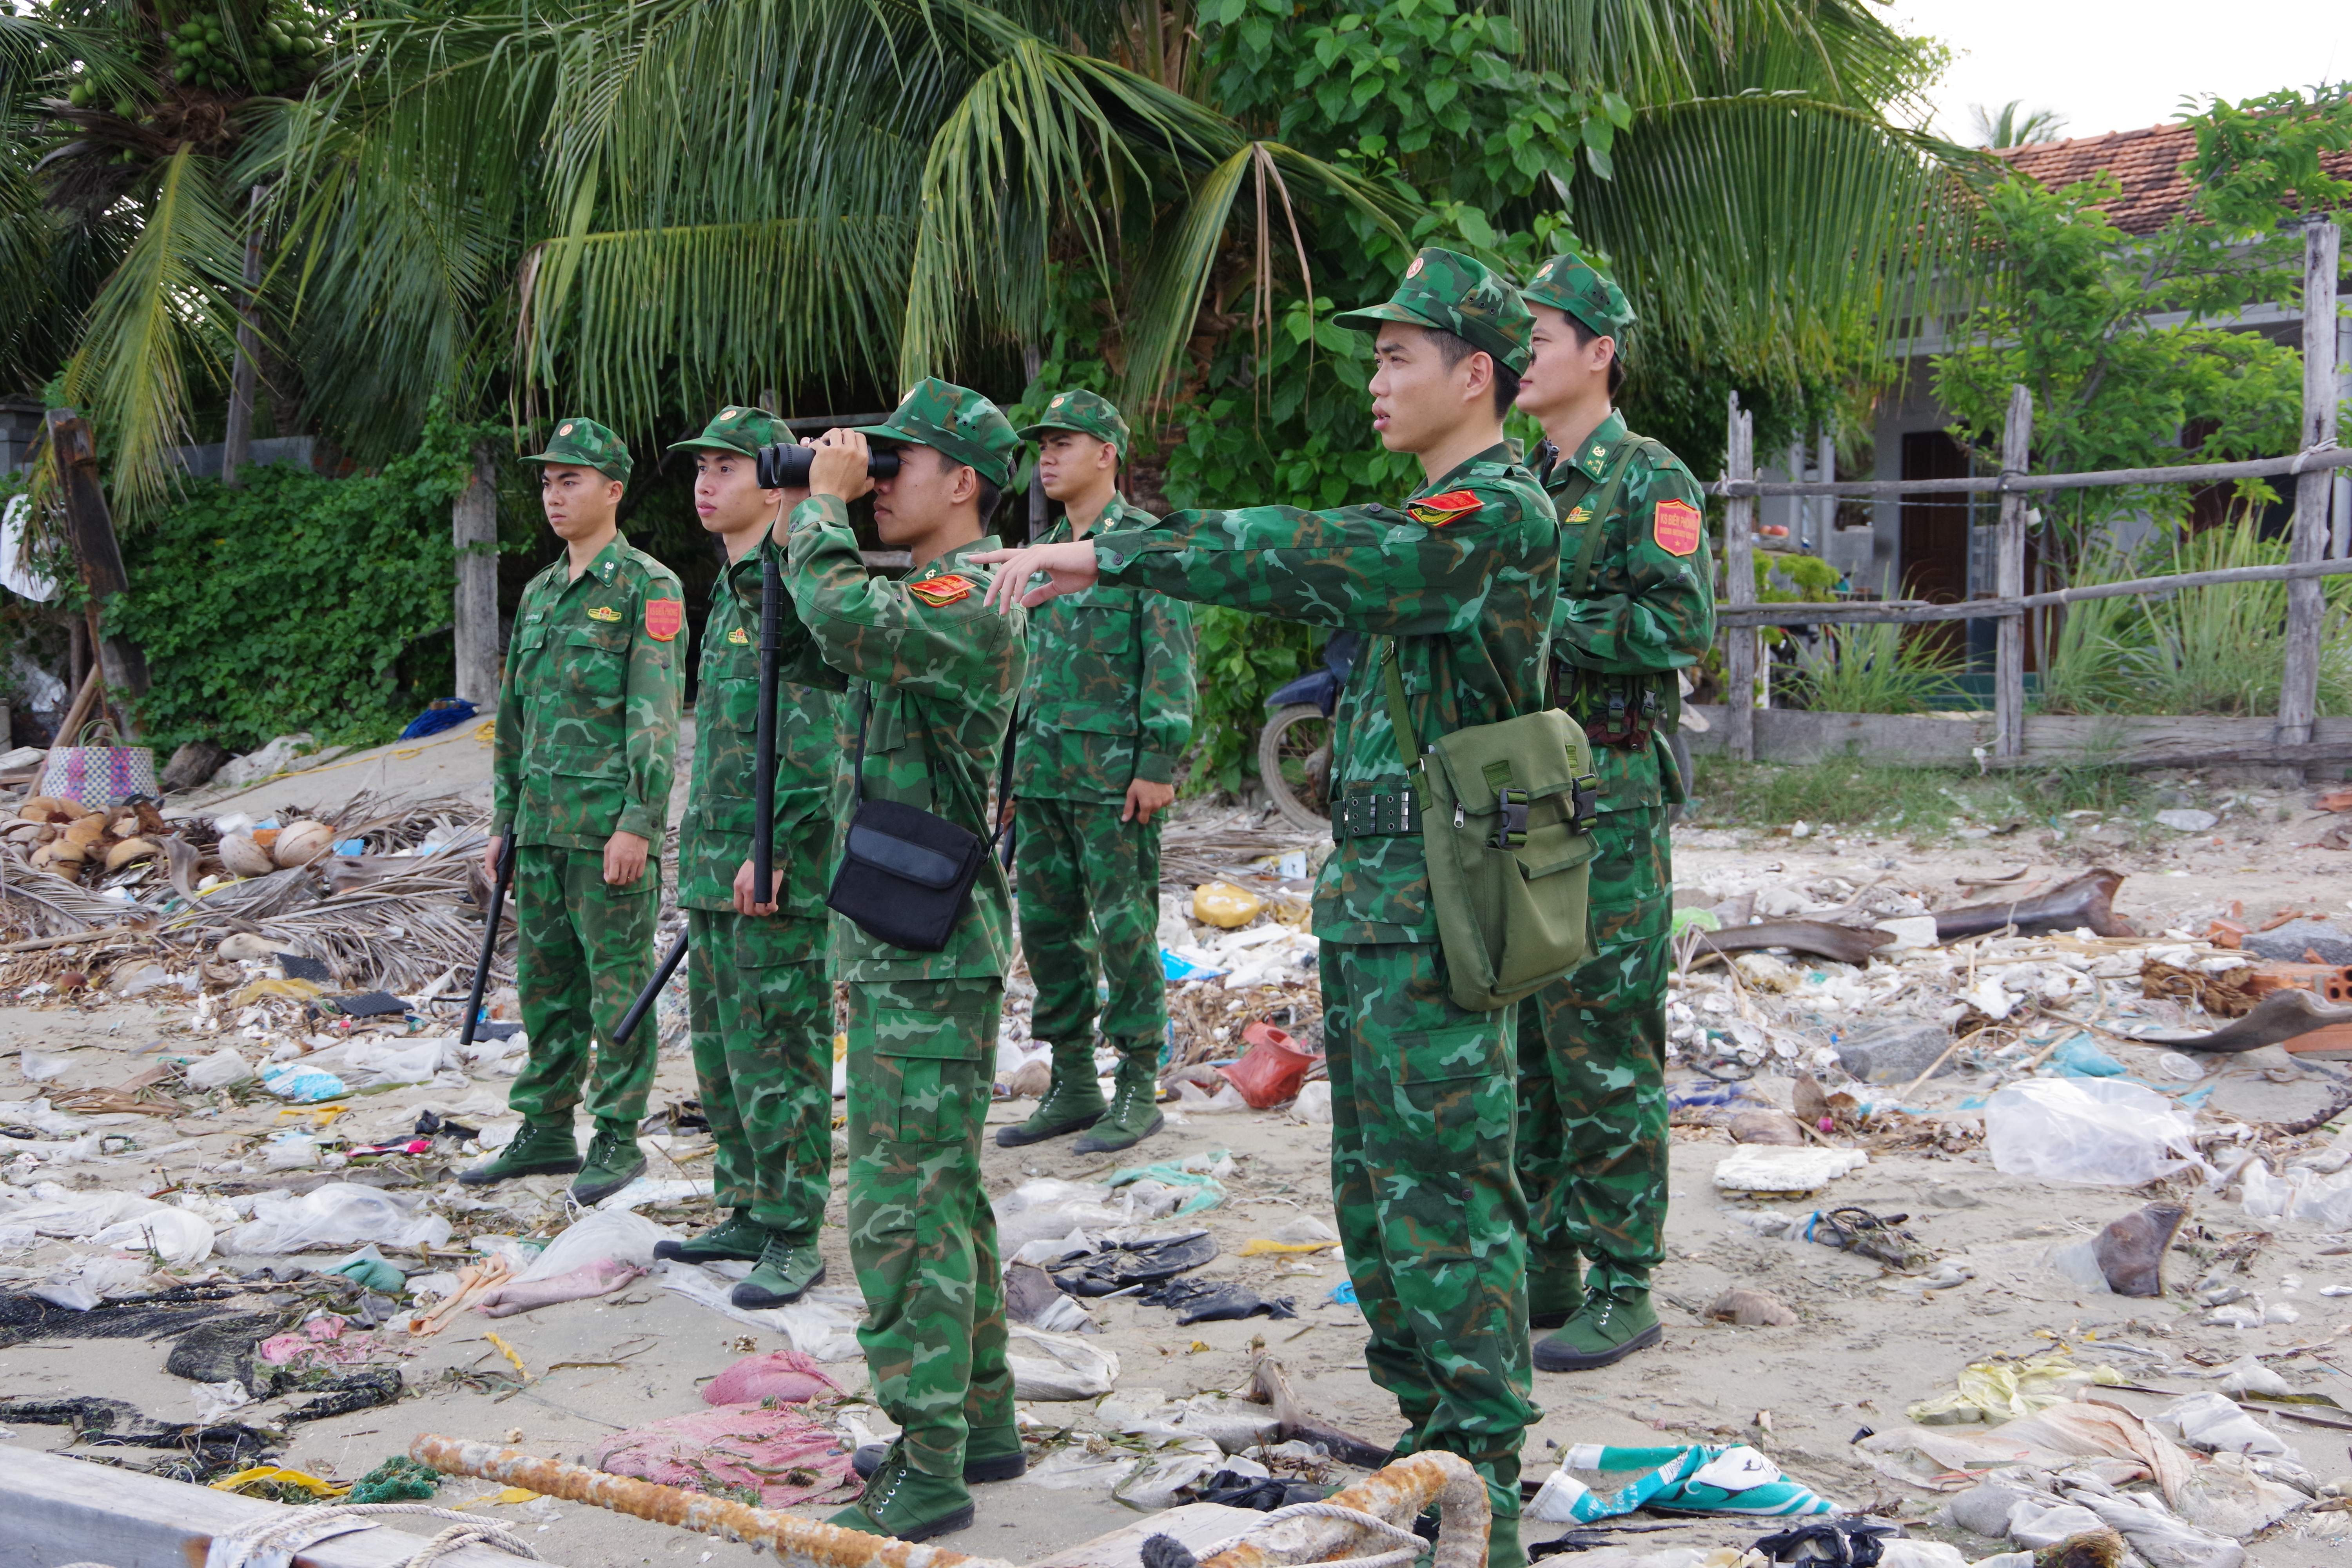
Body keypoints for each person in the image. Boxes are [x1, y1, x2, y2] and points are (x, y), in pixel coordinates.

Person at [975, 250, 1556, 1568]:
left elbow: (1324, 553)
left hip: (1449, 916)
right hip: (1382, 911)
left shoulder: (1493, 517)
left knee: (1446, 1207)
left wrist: (1116, 556)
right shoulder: (1439, 510)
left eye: (1399, 355)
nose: (1374, 378)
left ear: (1477, 375)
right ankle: (1435, 1457)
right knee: (1378, 1204)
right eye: (1374, 355)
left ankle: (1490, 1506)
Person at [780, 380, 1029, 1543]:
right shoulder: (930, 588)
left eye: (900, 464)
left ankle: (927, 1462)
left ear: (964, 482)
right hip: (911, 938)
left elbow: (838, 616)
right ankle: (978, 1421)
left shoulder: (972, 594)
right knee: (945, 1192)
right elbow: (816, 634)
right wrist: (805, 515)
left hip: (929, 950)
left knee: (899, 1205)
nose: (877, 480)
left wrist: (821, 510)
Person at [1510, 254, 1715, 1371]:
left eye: (1538, 339)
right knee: (1535, 1036)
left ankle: (1626, 1280)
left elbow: (1678, 629)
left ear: (1599, 351)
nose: (1521, 359)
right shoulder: (1518, 478)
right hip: (1527, 791)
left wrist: (1543, 619)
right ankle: (1547, 1260)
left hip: (1615, 797)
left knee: (1606, 1042)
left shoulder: (1650, 479)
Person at [648, 405, 844, 1309]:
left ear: (773, 481)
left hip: (772, 868)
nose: (704, 483)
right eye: (699, 468)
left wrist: (781, 849)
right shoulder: (726, 590)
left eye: (725, 467)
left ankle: (796, 1229)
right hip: (716, 863)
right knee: (725, 1055)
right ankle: (749, 1203)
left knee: (783, 1052)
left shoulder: (793, 584)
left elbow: (815, 738)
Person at [468, 417, 684, 1206]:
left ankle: (619, 1137)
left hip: (606, 834)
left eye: (572, 480)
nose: (555, 494)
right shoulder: (540, 591)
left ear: (614, 489)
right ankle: (547, 1128)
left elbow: (654, 714)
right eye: (549, 481)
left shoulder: (648, 587)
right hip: (543, 830)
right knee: (546, 985)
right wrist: (504, 821)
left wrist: (639, 821)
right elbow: (514, 721)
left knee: (618, 989)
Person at [997, 389, 1195, 1155]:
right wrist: (1014, 773)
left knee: (1124, 931)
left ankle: (1139, 1086)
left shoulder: (1141, 546)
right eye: (1041, 445)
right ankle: (1073, 1082)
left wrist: (1157, 761)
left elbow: (1170, 662)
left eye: (1063, 443)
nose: (1046, 457)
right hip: (1044, 773)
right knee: (1048, 933)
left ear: (1107, 453)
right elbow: (1028, 672)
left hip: (1116, 780)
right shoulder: (1042, 551)